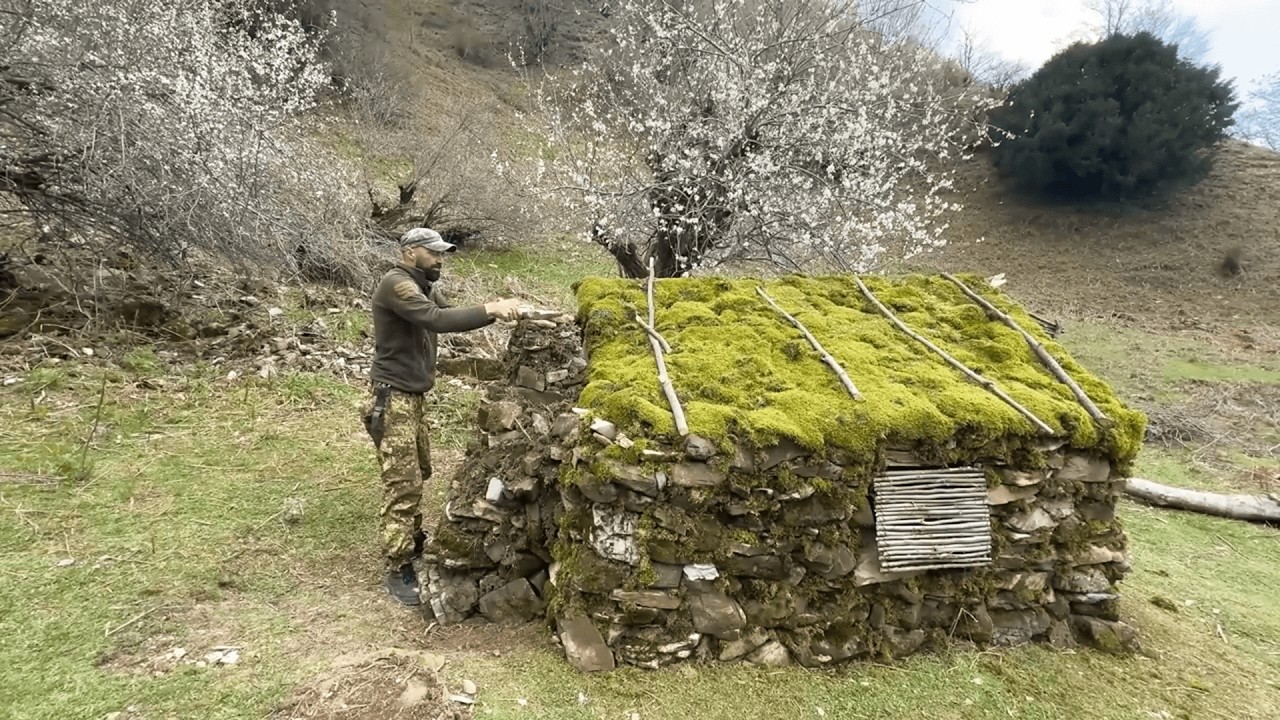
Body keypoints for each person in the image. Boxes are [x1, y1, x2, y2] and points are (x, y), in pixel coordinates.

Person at [363, 227, 523, 605]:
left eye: (442, 254)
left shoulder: (423, 286)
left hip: (412, 399)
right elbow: (436, 320)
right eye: (433, 253)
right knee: (402, 484)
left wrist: (492, 310)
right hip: (392, 399)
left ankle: (412, 542)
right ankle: (398, 565)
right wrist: (490, 310)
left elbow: (446, 314)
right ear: (409, 252)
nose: (439, 260)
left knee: (418, 473)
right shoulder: (396, 284)